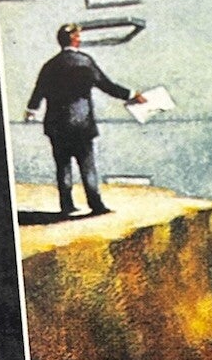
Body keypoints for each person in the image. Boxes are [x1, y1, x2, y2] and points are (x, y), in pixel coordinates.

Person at [25, 24, 145, 217]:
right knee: (87, 165)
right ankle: (96, 205)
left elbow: (38, 91)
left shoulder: (50, 65)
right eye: (78, 35)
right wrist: (131, 95)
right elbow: (107, 85)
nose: (80, 38)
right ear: (74, 39)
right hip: (81, 123)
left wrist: (31, 110)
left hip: (56, 124)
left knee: (63, 166)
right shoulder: (85, 62)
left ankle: (67, 206)